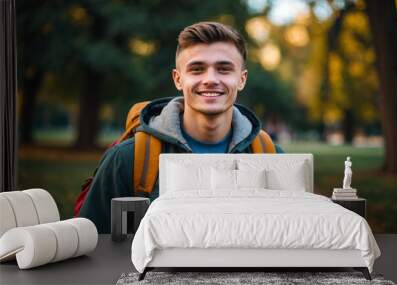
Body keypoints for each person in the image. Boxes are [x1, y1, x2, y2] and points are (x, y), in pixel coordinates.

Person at [79, 22, 284, 233]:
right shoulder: (127, 159)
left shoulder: (271, 157)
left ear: (241, 79)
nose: (211, 79)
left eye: (224, 69)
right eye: (197, 69)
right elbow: (91, 245)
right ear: (178, 79)